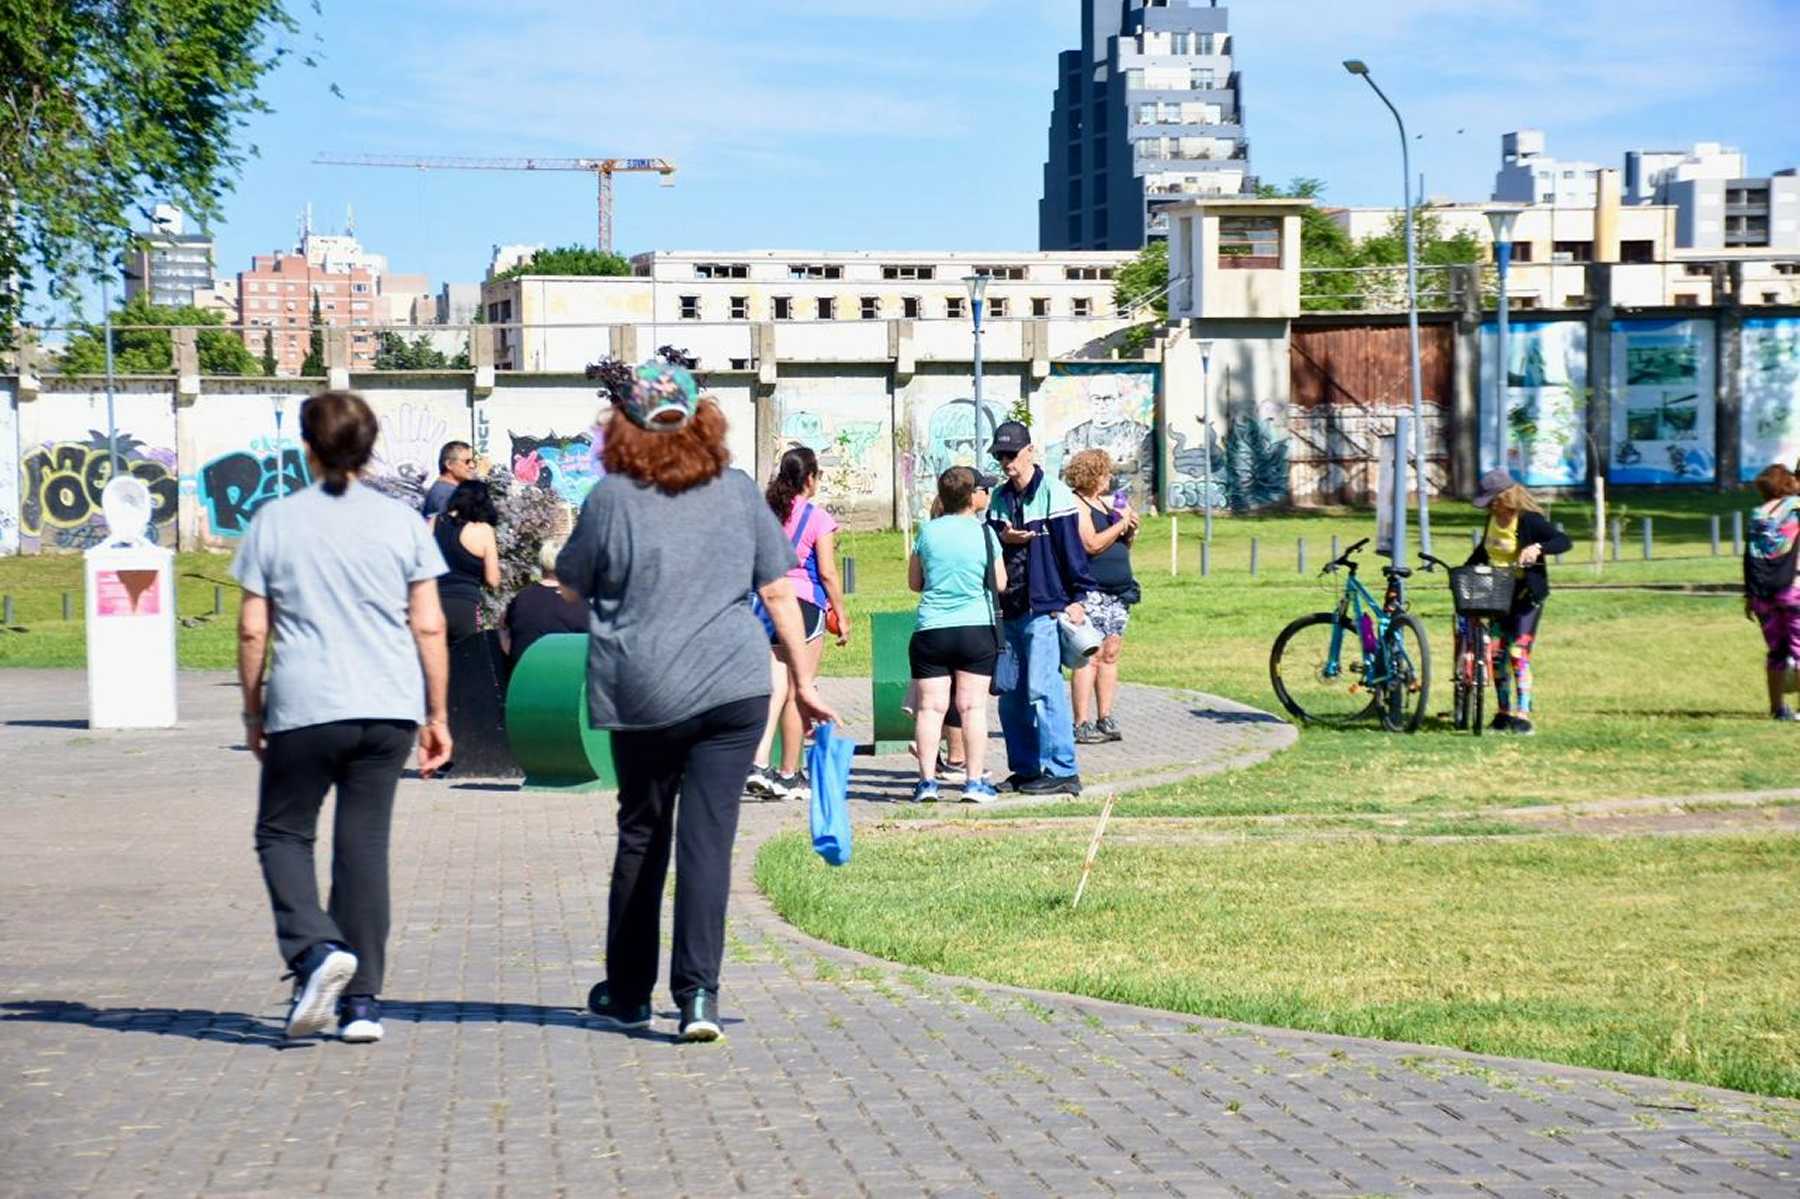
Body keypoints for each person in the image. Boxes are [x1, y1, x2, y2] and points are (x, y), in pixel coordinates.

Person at [557, 357, 839, 1042]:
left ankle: (627, 992)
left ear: (626, 425)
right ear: (704, 420)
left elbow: (571, 585)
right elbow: (779, 593)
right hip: (734, 687)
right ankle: (698, 998)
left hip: (644, 689)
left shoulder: (611, 497)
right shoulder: (740, 492)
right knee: (708, 841)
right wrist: (802, 684)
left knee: (642, 834)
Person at [232, 390, 453, 1045]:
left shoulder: (275, 520)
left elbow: (251, 630)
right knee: (363, 849)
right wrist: (436, 711)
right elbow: (430, 622)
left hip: (305, 702)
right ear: (369, 447)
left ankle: (313, 950)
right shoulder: (402, 522)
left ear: (307, 447)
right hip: (386, 705)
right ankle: (361, 1006)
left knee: (283, 833)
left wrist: (252, 708)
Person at [986, 420, 1098, 795]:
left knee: (1044, 689)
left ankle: (1062, 770)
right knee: (1011, 696)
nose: (1006, 462)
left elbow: (1072, 550)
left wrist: (1078, 598)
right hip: (1009, 609)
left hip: (1046, 608)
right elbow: (990, 550)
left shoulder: (1054, 493)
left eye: (1011, 454)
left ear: (1030, 451)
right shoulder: (999, 499)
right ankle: (1026, 768)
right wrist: (1003, 536)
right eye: (1000, 456)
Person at [745, 447, 850, 802]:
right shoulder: (817, 518)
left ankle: (759, 761)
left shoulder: (768, 513)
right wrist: (841, 613)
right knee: (797, 690)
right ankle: (790, 773)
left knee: (775, 686)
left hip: (766, 604)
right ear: (810, 478)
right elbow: (827, 572)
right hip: (803, 606)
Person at [906, 467, 1006, 802]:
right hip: (975, 628)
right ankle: (974, 782)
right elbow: (1000, 583)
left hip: (932, 629)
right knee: (972, 708)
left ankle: (926, 783)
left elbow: (915, 583)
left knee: (930, 709)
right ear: (971, 496)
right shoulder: (984, 534)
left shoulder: (927, 532)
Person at [1463, 468, 1572, 736]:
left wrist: (1538, 548)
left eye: (1493, 500)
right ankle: (1503, 713)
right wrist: (1465, 571)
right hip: (1498, 596)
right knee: (1497, 654)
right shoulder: (1492, 520)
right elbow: (1484, 552)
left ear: (1505, 496)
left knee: (1517, 653)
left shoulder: (1529, 520)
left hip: (1526, 596)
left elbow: (1563, 540)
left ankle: (1523, 716)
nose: (1490, 505)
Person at [1065, 449, 1141, 745]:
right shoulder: (1078, 504)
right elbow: (1092, 544)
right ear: (1093, 474)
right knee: (1090, 656)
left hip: (1119, 591)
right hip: (1091, 590)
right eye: (1106, 472)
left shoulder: (1106, 504)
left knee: (1111, 653)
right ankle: (1081, 722)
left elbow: (1121, 545)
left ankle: (1105, 716)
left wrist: (1129, 529)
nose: (1109, 477)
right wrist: (1120, 525)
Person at [1743, 464, 1800, 721]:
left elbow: (1749, 557)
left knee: (1776, 652)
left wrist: (1748, 595)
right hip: (1792, 589)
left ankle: (1777, 708)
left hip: (1762, 594)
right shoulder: (1795, 508)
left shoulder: (1757, 514)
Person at [501, 538, 588, 673]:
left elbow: (502, 628)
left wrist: (512, 655)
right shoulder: (577, 602)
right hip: (562, 679)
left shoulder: (521, 597)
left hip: (521, 678)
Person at [433, 480, 501, 642]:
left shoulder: (434, 522)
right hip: (465, 606)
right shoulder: (483, 530)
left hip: (432, 602)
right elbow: (493, 579)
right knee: (468, 659)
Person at [422, 440, 476, 521]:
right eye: (467, 462)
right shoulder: (446, 495)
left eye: (473, 461)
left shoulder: (447, 490)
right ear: (449, 464)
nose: (472, 466)